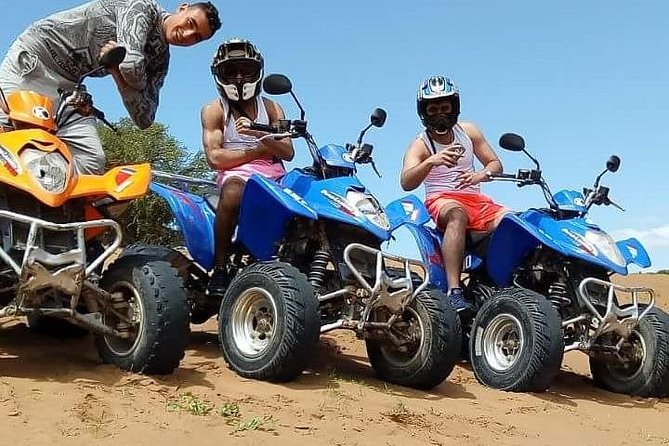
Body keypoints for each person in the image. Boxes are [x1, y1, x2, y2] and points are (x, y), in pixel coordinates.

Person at [0, 0, 221, 174]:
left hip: (70, 87)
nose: (189, 35)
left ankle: (50, 222)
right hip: (36, 62)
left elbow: (145, 118)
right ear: (182, 8)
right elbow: (131, 64)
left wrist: (116, 72)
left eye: (197, 38)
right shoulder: (141, 7)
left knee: (92, 160)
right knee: (8, 131)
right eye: (191, 24)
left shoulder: (160, 60)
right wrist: (133, 81)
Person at [400, 75, 508, 312]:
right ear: (424, 111)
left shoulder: (468, 131)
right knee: (457, 214)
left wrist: (482, 174)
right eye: (433, 108)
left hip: (477, 200)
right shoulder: (420, 144)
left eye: (445, 107)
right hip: (442, 200)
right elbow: (406, 181)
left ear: (454, 107)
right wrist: (431, 161)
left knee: (515, 223)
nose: (440, 113)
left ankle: (503, 282)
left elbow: (495, 164)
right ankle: (454, 290)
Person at [201, 38, 294, 293]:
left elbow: (287, 151)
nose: (239, 77)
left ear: (258, 71)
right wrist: (262, 147)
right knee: (232, 193)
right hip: (235, 175)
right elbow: (216, 159)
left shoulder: (273, 107)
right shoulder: (214, 110)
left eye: (246, 69)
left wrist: (256, 134)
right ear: (219, 75)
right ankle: (219, 268)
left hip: (274, 175)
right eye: (231, 71)